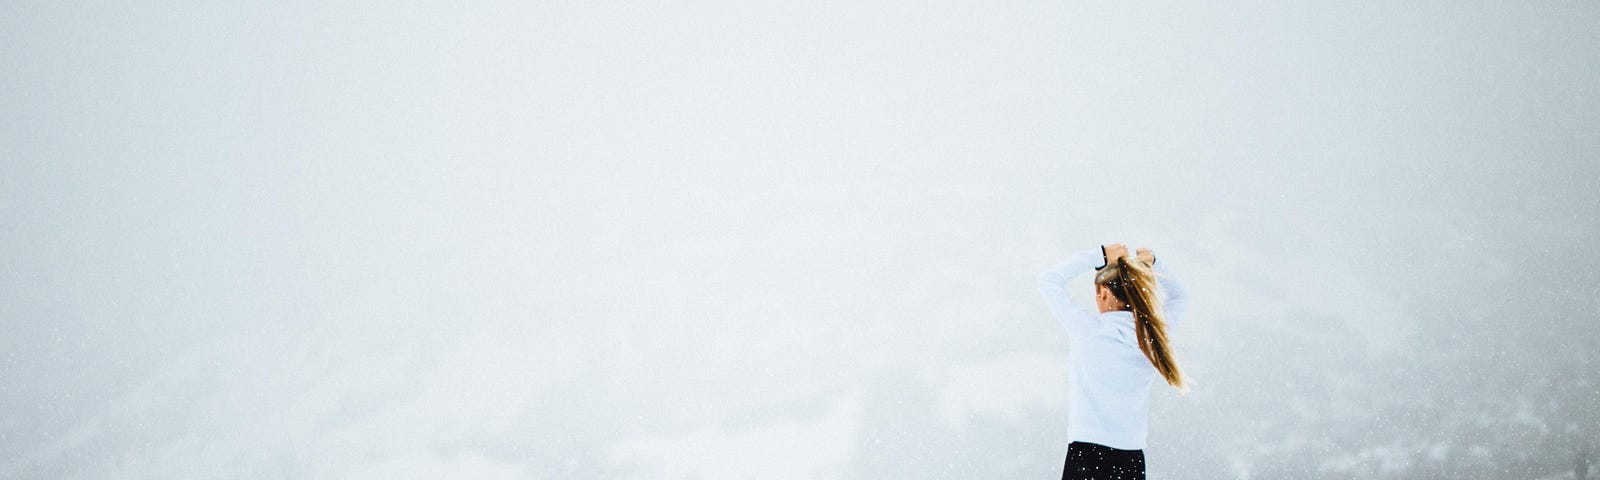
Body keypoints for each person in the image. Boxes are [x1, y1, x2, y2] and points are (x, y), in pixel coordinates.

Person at [1037, 243, 1190, 480]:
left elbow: (1048, 280)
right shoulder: (1151, 337)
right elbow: (1180, 296)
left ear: (1103, 292)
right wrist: (1153, 263)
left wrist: (1099, 255)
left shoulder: (1088, 330)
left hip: (1087, 454)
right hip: (1130, 458)